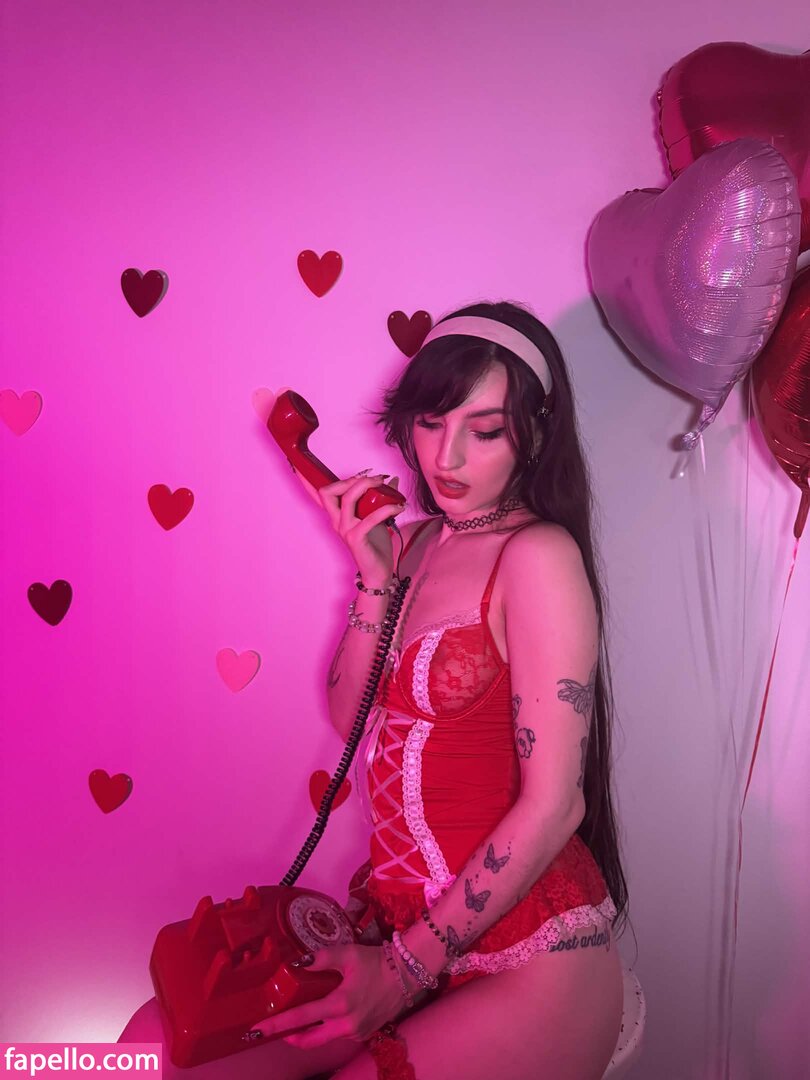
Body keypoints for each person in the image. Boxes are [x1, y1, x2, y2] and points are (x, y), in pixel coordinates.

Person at [247, 300, 631, 1079]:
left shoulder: (537, 556)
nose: (445, 456)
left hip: (525, 950)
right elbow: (351, 717)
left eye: (484, 431)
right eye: (430, 422)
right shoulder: (416, 544)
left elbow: (555, 806)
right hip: (401, 922)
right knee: (162, 1036)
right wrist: (373, 576)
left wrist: (401, 973)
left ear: (534, 435)